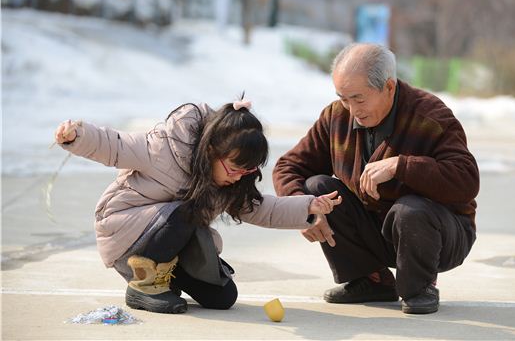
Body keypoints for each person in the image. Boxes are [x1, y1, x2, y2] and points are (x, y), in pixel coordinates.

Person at [53, 97, 342, 314]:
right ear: (212, 150)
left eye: (247, 171)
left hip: (173, 241)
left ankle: (161, 280)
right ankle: (142, 287)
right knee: (186, 211)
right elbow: (114, 145)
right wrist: (77, 136)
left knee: (222, 297)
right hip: (126, 235)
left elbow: (262, 209)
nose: (239, 177)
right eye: (234, 168)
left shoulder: (232, 180)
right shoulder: (163, 148)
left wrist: (308, 206)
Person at [272, 43, 479, 314]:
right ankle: (372, 280)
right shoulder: (336, 115)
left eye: (359, 98)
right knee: (317, 189)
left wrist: (401, 166)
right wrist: (300, 209)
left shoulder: (430, 115)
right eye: (343, 98)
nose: (351, 109)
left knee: (410, 210)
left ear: (389, 87)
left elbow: (467, 180)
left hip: (439, 234)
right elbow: (289, 166)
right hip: (378, 229)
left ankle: (420, 286)